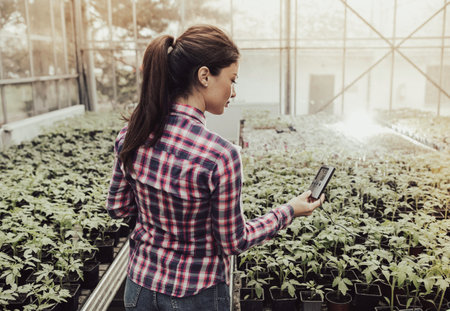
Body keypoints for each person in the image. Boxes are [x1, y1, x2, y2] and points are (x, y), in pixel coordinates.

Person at [106, 24, 324, 311]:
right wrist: (289, 211)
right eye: (232, 79)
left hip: (139, 288)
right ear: (205, 76)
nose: (233, 92)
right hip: (195, 295)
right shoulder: (220, 155)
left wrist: (158, 218)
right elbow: (234, 241)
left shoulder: (131, 134)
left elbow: (118, 208)